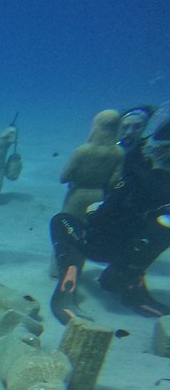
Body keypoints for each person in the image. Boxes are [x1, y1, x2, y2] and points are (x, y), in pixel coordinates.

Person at [49, 104, 170, 322]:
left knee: (60, 221)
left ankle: (68, 280)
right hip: (132, 251)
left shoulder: (131, 165)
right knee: (159, 224)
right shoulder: (152, 175)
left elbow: (67, 177)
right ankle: (127, 280)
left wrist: (95, 211)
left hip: (99, 246)